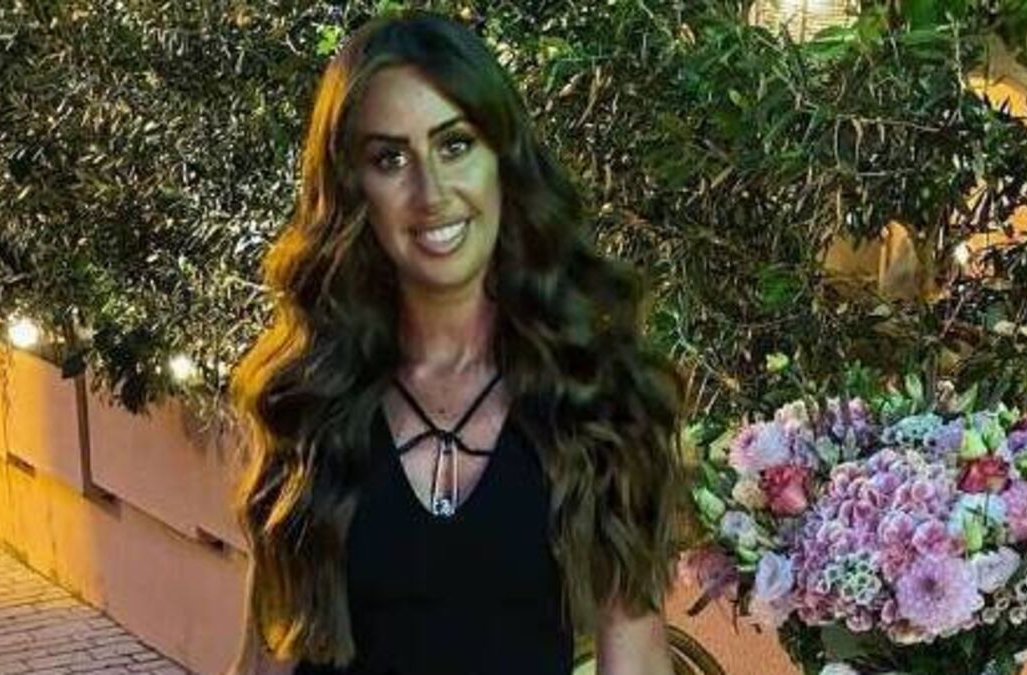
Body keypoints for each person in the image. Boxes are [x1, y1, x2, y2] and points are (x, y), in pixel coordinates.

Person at [227, 10, 689, 675]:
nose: (431, 193)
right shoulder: (309, 398)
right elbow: (266, 654)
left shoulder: (595, 395)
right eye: (390, 159)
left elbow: (636, 661)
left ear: (502, 158)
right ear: (353, 189)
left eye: (455, 145)